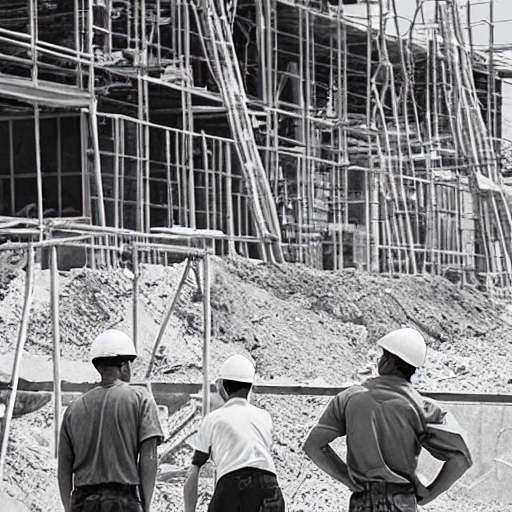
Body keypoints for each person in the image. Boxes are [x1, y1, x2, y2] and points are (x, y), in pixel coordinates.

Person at [303, 327, 472, 512]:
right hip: (403, 500)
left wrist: (348, 480)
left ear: (388, 362)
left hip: (363, 501)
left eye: (383, 355)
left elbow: (314, 445)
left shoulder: (349, 397)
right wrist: (429, 494)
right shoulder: (424, 407)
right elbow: (461, 459)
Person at [58, 329, 164, 512]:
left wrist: (69, 508)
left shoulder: (73, 409)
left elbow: (63, 467)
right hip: (123, 501)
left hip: (83, 501)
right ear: (124, 365)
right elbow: (149, 458)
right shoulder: (141, 399)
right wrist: (146, 506)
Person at [184, 354, 285, 512]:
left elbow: (195, 469)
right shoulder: (264, 417)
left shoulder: (213, 419)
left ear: (223, 386)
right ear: (250, 387)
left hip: (232, 485)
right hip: (269, 484)